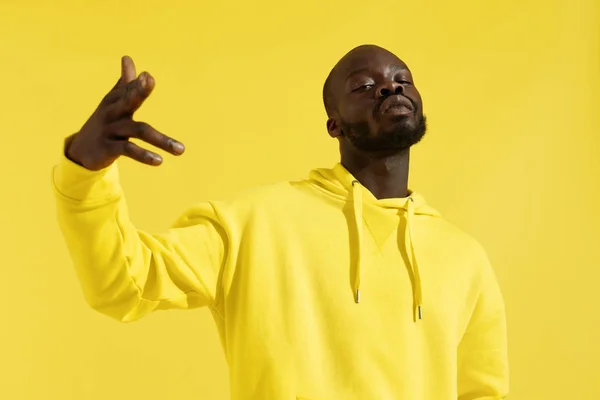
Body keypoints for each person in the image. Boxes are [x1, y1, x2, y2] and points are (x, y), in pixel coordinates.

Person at [53, 44, 509, 399]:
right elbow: (123, 283)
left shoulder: (464, 257)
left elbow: (481, 392)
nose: (390, 88)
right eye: (363, 86)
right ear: (333, 125)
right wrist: (86, 173)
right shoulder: (251, 225)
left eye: (401, 80)